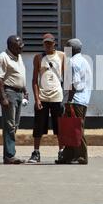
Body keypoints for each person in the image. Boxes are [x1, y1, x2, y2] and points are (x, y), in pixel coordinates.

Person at [28, 33, 66, 163]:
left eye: (50, 43)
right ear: (43, 44)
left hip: (57, 97)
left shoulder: (61, 56)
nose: (48, 45)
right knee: (38, 126)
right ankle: (36, 152)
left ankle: (61, 151)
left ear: (54, 43)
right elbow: (34, 80)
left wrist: (66, 98)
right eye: (46, 43)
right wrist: (37, 99)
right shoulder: (38, 58)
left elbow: (66, 78)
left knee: (59, 127)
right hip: (43, 97)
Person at [0, 35, 29, 164]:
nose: (21, 48)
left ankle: (9, 154)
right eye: (18, 46)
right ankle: (9, 155)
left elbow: (19, 75)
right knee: (9, 125)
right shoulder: (3, 57)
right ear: (11, 46)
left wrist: (25, 90)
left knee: (15, 125)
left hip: (19, 93)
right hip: (9, 93)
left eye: (22, 46)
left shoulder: (18, 57)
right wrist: (3, 96)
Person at [57, 38, 92, 165]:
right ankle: (68, 156)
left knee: (76, 129)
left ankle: (82, 156)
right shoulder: (85, 61)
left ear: (71, 49)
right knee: (70, 129)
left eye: (67, 47)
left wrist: (69, 102)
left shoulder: (72, 62)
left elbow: (74, 83)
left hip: (75, 101)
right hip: (82, 100)